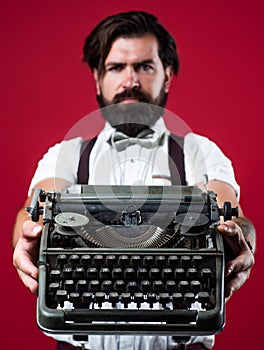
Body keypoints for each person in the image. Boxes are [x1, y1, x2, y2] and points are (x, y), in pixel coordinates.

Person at [12, 11, 255, 350]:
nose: (131, 82)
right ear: (98, 79)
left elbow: (232, 214)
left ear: (167, 76)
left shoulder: (199, 150)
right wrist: (26, 237)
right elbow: (32, 211)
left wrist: (242, 238)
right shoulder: (65, 154)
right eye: (116, 68)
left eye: (144, 66)